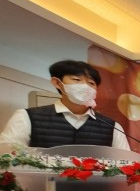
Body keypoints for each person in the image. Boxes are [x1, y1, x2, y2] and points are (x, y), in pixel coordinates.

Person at [0, 59, 131, 150]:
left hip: (95, 184)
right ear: (57, 83)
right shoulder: (26, 117)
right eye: (77, 80)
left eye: (91, 83)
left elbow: (126, 164)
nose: (85, 86)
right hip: (40, 183)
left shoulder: (112, 127)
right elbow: (7, 157)